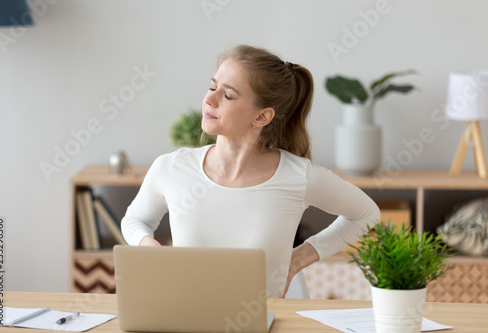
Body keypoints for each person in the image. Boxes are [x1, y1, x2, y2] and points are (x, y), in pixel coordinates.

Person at [121, 44, 380, 298]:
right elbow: (135, 220)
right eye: (212, 86)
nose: (209, 99)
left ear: (262, 117)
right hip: (188, 318)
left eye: (228, 95)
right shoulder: (172, 168)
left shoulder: (297, 176)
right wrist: (148, 246)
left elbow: (366, 214)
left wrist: (299, 258)